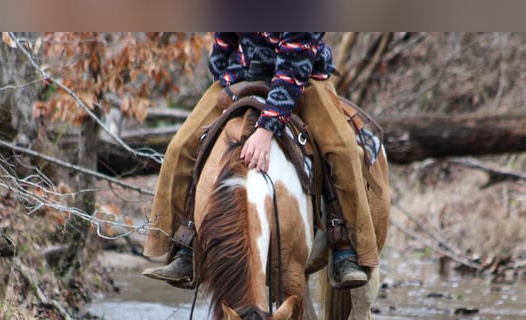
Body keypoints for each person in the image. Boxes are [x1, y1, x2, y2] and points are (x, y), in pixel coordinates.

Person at [142, 32, 378, 289]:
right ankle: (182, 243)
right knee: (179, 148)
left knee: (344, 150)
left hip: (303, 78)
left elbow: (293, 68)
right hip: (242, 78)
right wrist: (226, 79)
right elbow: (223, 41)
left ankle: (348, 247)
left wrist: (266, 129)